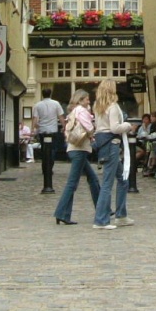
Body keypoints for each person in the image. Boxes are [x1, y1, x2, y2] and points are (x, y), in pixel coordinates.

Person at [92, 79, 136, 229]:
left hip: (103, 143)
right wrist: (128, 126)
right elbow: (115, 128)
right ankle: (101, 220)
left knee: (123, 180)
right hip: (112, 144)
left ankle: (121, 215)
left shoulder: (97, 107)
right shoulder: (114, 107)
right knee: (107, 183)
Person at [52, 90, 99, 225]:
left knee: (93, 179)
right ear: (80, 100)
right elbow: (89, 127)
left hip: (76, 149)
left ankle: (103, 208)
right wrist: (94, 134)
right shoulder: (81, 111)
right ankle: (61, 212)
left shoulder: (74, 111)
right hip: (79, 149)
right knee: (72, 183)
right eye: (86, 100)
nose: (88, 102)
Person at [32, 88, 65, 193]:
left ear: (42, 94)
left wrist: (34, 128)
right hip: (53, 130)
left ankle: (45, 168)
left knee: (43, 150)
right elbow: (60, 116)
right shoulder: (56, 104)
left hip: (42, 131)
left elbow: (35, 119)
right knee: (53, 149)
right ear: (50, 94)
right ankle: (50, 167)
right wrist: (64, 127)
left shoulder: (37, 105)